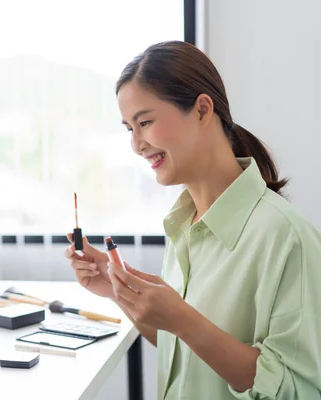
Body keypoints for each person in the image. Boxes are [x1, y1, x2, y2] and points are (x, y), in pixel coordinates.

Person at [65, 41, 321, 399]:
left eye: (146, 122)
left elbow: (297, 391)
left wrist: (183, 318)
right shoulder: (182, 226)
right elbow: (181, 348)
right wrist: (115, 289)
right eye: (129, 129)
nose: (137, 144)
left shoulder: (286, 237)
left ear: (202, 109)